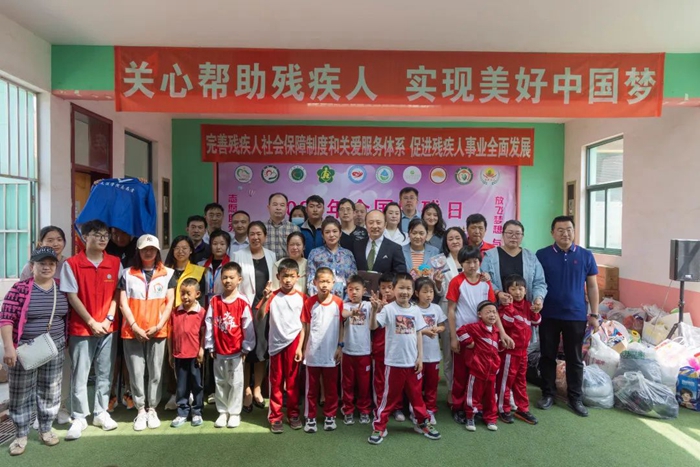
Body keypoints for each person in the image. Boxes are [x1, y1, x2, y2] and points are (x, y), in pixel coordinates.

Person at [1, 247, 69, 456]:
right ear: (32, 266)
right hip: (25, 348)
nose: (46, 267)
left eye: (51, 263)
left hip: (54, 346)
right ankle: (20, 434)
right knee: (20, 392)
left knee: (51, 389)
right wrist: (9, 348)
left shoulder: (62, 288)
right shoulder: (20, 289)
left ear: (55, 266)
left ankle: (45, 429)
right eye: (41, 263)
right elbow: (6, 318)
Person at [61, 220, 122, 440]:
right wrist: (91, 322)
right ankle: (79, 416)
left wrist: (108, 319)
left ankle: (101, 412)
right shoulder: (72, 264)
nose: (103, 238)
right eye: (97, 234)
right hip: (81, 328)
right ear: (85, 237)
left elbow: (117, 293)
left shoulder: (115, 262)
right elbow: (72, 296)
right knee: (80, 373)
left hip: (108, 326)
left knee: (105, 371)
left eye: (106, 234)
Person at [536, 216, 599, 417]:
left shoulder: (586, 255)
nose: (565, 233)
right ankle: (548, 394)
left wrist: (594, 314)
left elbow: (592, 286)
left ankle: (575, 398)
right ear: (552, 232)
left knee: (575, 358)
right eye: (560, 230)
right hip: (548, 314)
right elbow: (536, 282)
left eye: (569, 229)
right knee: (547, 356)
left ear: (574, 231)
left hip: (576, 315)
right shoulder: (542, 255)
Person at [368, 273, 440, 445]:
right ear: (393, 289)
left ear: (413, 291)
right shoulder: (389, 309)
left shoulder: (415, 310)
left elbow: (418, 333)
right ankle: (379, 426)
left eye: (408, 288)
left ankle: (422, 423)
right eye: (401, 287)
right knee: (388, 397)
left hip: (412, 363)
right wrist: (374, 310)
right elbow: (373, 326)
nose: (404, 292)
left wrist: (420, 358)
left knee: (417, 397)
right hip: (394, 363)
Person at [446, 246, 513, 424]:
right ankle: (458, 407)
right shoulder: (456, 281)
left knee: (481, 373)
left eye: (475, 261)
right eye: (468, 262)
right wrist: (453, 337)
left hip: (484, 337)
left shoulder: (486, 282)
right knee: (461, 373)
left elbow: (493, 310)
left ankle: (476, 407)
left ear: (480, 262)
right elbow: (451, 310)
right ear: (461, 263)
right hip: (464, 334)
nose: (472, 265)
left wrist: (502, 333)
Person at [119, 234, 176, 431]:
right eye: (145, 249)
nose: (148, 252)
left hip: (157, 331)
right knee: (136, 371)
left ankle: (152, 408)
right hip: (132, 331)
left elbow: (169, 302)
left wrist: (159, 325)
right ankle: (140, 410)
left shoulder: (168, 273)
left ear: (158, 251)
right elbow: (123, 303)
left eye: (152, 249)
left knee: (155, 371)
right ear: (138, 251)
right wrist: (134, 326)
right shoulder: (127, 273)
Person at [18, 225, 71, 426]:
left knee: (61, 371)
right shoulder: (30, 267)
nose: (55, 243)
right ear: (41, 242)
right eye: (50, 239)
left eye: (59, 239)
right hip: (34, 331)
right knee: (37, 371)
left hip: (62, 327)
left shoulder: (69, 265)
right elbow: (22, 300)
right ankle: (39, 413)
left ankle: (61, 407)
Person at [257, 258, 307, 433]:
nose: (288, 280)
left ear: (297, 277)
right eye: (285, 276)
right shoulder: (272, 296)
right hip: (276, 345)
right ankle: (275, 416)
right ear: (278, 276)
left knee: (293, 382)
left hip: (294, 343)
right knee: (276, 381)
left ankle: (293, 414)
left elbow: (304, 325)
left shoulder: (302, 298)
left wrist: (300, 347)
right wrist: (265, 299)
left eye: (291, 276)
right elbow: (260, 317)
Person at [204, 262, 256, 428]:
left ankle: (234, 413)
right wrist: (210, 345)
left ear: (239, 279)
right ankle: (222, 412)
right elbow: (209, 323)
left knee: (236, 382)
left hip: (236, 351)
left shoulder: (242, 302)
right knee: (220, 381)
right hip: (219, 350)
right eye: (225, 277)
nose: (227, 281)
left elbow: (248, 326)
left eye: (231, 277)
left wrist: (246, 347)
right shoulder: (215, 301)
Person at [232, 221, 276, 411]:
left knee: (261, 350)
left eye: (259, 234)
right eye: (252, 234)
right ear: (248, 236)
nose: (255, 237)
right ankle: (246, 390)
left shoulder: (272, 255)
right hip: (244, 307)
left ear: (265, 236)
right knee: (246, 350)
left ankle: (257, 388)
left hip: (264, 307)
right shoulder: (238, 255)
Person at [163, 235, 206, 411]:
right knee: (172, 357)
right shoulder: (165, 271)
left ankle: (193, 397)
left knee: (192, 360)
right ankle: (174, 394)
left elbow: (202, 297)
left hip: (191, 319)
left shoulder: (198, 271)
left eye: (185, 248)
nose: (181, 251)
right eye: (177, 248)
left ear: (191, 251)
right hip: (168, 317)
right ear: (172, 250)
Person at [300, 267, 344, 433]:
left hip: (331, 354)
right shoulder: (309, 303)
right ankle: (310, 417)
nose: (324, 285)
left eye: (328, 281)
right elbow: (305, 327)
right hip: (312, 354)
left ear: (333, 283)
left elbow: (341, 326)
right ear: (315, 282)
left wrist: (340, 346)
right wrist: (302, 349)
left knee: (331, 388)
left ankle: (330, 416)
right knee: (311, 389)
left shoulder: (339, 302)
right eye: (321, 281)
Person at [496, 274, 541, 426]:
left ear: (526, 290)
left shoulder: (528, 305)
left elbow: (536, 322)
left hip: (523, 352)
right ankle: (503, 408)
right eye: (513, 289)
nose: (517, 292)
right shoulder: (504, 308)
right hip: (510, 353)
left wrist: (535, 310)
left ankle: (522, 408)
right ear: (507, 291)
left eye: (520, 289)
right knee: (505, 380)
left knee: (521, 381)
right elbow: (507, 323)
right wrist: (509, 306)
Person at [481, 220, 547, 314]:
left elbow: (539, 282)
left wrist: (538, 298)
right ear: (503, 235)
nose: (514, 236)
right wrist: (498, 292)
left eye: (518, 234)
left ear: (522, 236)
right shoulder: (490, 256)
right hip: (497, 312)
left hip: (525, 312)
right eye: (510, 233)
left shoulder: (531, 257)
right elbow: (484, 280)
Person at [456, 300, 502, 432]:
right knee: (473, 395)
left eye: (494, 312)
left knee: (491, 397)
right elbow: (460, 331)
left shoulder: (497, 331)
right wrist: (469, 342)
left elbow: (498, 348)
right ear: (479, 314)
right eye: (488, 312)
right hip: (477, 370)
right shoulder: (475, 327)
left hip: (492, 371)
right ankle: (470, 416)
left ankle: (491, 418)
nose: (492, 315)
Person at [168, 279, 206, 428]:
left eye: (188, 293)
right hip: (179, 355)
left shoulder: (201, 312)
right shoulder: (175, 312)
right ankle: (182, 412)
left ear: (197, 294)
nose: (185, 297)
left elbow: (204, 334)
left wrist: (201, 350)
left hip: (195, 356)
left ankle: (197, 411)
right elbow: (170, 335)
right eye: (182, 293)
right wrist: (170, 353)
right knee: (181, 386)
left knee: (197, 384)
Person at [340, 275, 375, 426]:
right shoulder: (344, 305)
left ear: (364, 290)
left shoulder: (368, 305)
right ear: (346, 291)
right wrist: (351, 313)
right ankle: (347, 410)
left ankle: (364, 410)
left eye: (357, 289)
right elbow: (343, 314)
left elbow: (375, 321)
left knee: (364, 384)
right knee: (347, 384)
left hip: (364, 352)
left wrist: (377, 306)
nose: (353, 292)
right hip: (347, 352)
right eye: (350, 289)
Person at [439, 227, 468, 404]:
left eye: (458, 237)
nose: (455, 241)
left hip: (468, 310)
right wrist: (437, 283)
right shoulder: (441, 262)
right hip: (447, 308)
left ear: (463, 239)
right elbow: (440, 291)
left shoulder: (471, 259)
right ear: (446, 242)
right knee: (449, 350)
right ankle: (451, 388)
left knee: (466, 351)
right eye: (450, 239)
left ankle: (466, 389)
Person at [414, 277, 447, 424]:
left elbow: (442, 325)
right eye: (425, 292)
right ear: (416, 293)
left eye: (431, 292)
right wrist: (424, 331)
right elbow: (411, 329)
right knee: (416, 385)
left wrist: (438, 329)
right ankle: (416, 410)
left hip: (433, 355)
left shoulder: (436, 308)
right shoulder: (413, 309)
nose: (428, 295)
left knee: (431, 385)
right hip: (417, 355)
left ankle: (430, 410)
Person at [307, 217, 358, 297]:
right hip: (321, 300)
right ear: (323, 235)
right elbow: (311, 282)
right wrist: (321, 299)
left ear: (340, 233)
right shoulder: (315, 254)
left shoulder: (348, 255)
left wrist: (346, 300)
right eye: (327, 232)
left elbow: (354, 281)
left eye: (335, 231)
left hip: (345, 300)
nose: (331, 235)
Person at [353, 210, 407, 274]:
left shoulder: (395, 248)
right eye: (371, 223)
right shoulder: (357, 245)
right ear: (366, 224)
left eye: (378, 223)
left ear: (385, 225)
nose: (375, 226)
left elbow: (400, 274)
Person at [199, 230, 232, 302]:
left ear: (227, 246)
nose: (218, 247)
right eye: (215, 244)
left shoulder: (232, 266)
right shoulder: (200, 265)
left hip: (224, 303)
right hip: (204, 304)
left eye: (222, 244)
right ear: (210, 245)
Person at [265, 193, 300, 259]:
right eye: (275, 205)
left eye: (282, 205)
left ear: (286, 208)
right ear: (268, 207)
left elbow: (299, 252)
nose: (278, 208)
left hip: (288, 264)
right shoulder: (261, 228)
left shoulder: (294, 229)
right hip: (266, 264)